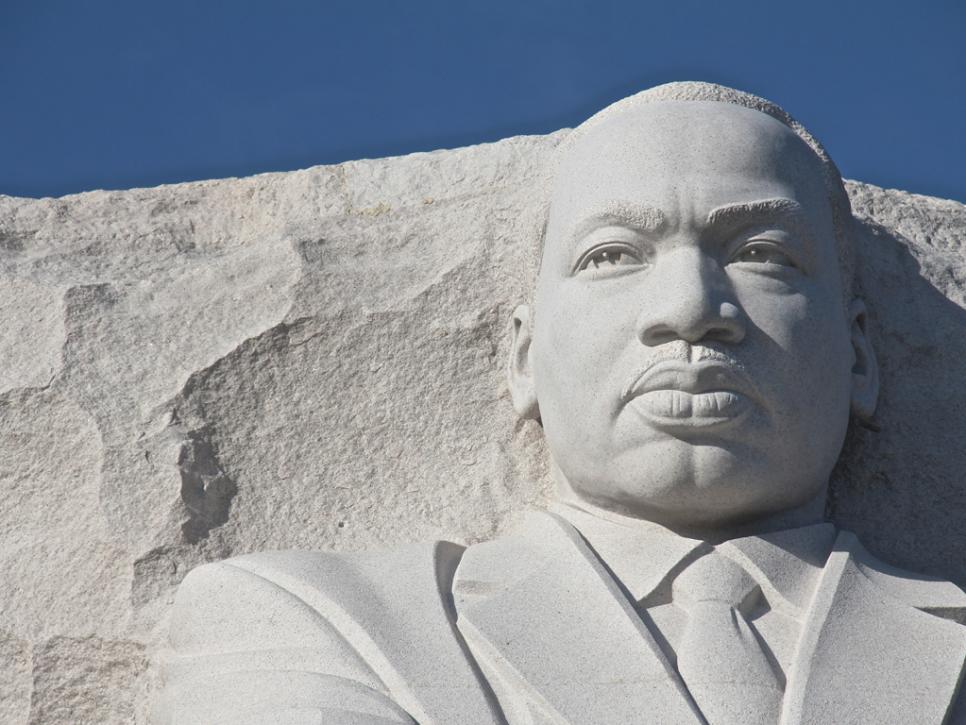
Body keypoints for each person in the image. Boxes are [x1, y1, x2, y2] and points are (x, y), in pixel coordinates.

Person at [154, 82, 966, 725]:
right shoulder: (323, 626)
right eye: (613, 254)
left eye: (762, 253)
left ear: (860, 356)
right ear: (523, 356)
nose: (687, 308)